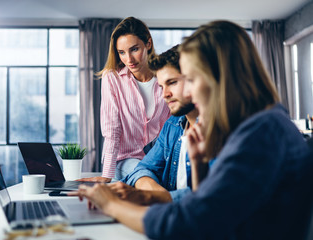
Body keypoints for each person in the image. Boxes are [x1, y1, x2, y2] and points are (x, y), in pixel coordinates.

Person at [75, 20, 313, 239]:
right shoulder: (261, 124)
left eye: (190, 79)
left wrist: (110, 205)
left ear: (218, 75)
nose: (187, 92)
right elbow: (210, 209)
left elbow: (189, 223)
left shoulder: (261, 134)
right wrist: (198, 171)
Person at [80, 17, 170, 182]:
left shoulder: (166, 77)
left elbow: (173, 124)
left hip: (160, 159)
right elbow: (112, 130)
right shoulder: (112, 78)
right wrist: (106, 175)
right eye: (122, 52)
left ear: (148, 44)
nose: (129, 59)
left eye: (134, 49)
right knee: (145, 177)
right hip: (125, 159)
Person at [120, 45, 207, 203]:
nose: (164, 94)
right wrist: (157, 195)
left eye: (172, 82)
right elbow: (142, 170)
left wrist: (150, 196)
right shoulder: (172, 125)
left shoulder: (221, 129)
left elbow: (212, 196)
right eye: (161, 86)